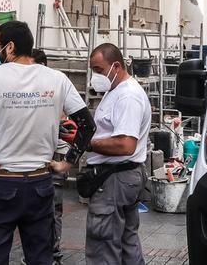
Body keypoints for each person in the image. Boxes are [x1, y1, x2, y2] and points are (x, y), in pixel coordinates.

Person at [0, 21, 95, 265]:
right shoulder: (57, 79)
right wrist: (67, 162)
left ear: (10, 47)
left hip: (1, 184)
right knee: (41, 257)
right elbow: (87, 125)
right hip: (40, 184)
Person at [83, 43, 151, 265]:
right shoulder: (115, 91)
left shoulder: (127, 96)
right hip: (120, 177)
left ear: (116, 66)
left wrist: (89, 144)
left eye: (99, 70)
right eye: (93, 70)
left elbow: (125, 145)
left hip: (115, 179)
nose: (96, 76)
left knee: (103, 246)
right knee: (126, 243)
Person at [32, 49, 70, 265]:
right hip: (39, 153)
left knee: (53, 208)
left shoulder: (56, 87)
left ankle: (53, 254)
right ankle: (40, 253)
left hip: (55, 152)